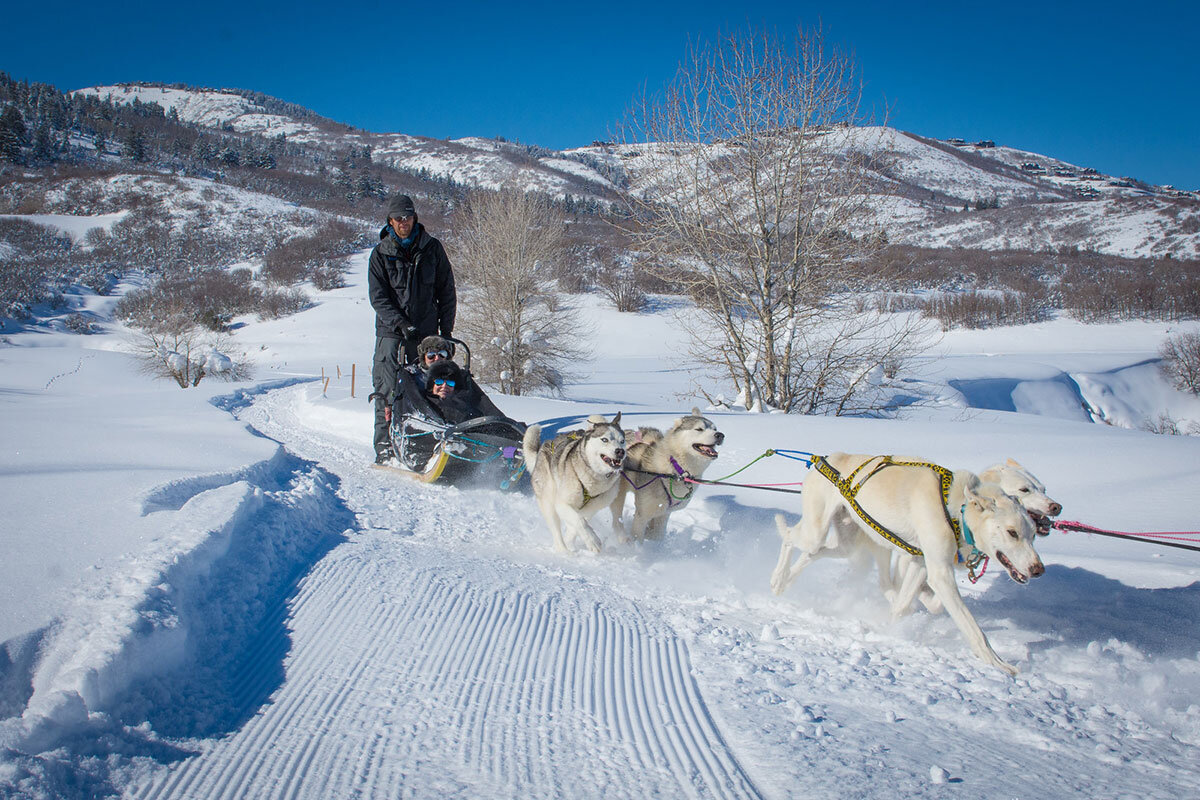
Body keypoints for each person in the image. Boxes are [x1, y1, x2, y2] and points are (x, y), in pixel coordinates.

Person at [369, 194, 457, 464]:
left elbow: (446, 292)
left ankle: (428, 444)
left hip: (427, 336)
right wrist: (400, 323)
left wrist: (445, 334)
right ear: (390, 221)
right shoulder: (380, 254)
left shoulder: (432, 249)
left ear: (414, 218)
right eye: (398, 219)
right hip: (391, 335)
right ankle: (385, 448)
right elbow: (378, 298)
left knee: (432, 390)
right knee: (387, 390)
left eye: (407, 217)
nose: (403, 222)